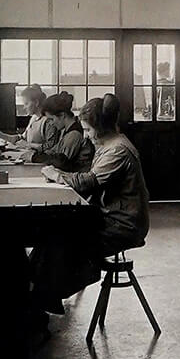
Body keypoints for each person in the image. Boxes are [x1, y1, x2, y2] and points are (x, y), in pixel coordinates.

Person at [60, 93, 150, 256]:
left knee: (61, 240)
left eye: (88, 130)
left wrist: (56, 174)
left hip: (123, 226)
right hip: (116, 218)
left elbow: (88, 182)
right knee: (57, 230)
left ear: (101, 128)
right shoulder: (109, 145)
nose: (85, 136)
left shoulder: (117, 150)